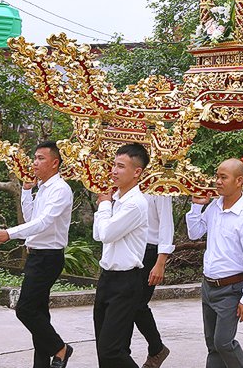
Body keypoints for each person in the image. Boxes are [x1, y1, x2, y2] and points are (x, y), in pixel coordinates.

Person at [0, 141, 74, 368]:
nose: (34, 163)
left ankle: (61, 349)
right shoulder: (43, 188)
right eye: (35, 158)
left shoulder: (60, 189)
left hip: (48, 257)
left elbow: (43, 223)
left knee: (25, 310)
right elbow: (31, 218)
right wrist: (26, 191)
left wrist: (9, 233)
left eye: (40, 158)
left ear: (55, 163)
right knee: (39, 314)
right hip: (36, 256)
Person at [187, 159, 243, 368]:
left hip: (231, 288)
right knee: (212, 344)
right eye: (217, 176)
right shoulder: (214, 207)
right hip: (208, 286)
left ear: (239, 181)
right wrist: (196, 205)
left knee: (223, 342)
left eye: (223, 177)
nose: (218, 182)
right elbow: (194, 233)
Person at [93, 143, 150, 368]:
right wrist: (106, 205)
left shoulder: (135, 204)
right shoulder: (115, 199)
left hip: (126, 282)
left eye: (121, 166)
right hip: (107, 278)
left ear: (137, 172)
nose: (114, 171)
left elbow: (106, 233)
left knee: (111, 350)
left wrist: (104, 205)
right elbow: (99, 235)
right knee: (104, 349)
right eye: (114, 165)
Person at [134, 190, 174, 368]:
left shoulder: (160, 186)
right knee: (125, 304)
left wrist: (160, 262)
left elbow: (166, 224)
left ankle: (156, 348)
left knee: (137, 304)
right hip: (130, 249)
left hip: (149, 251)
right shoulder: (127, 184)